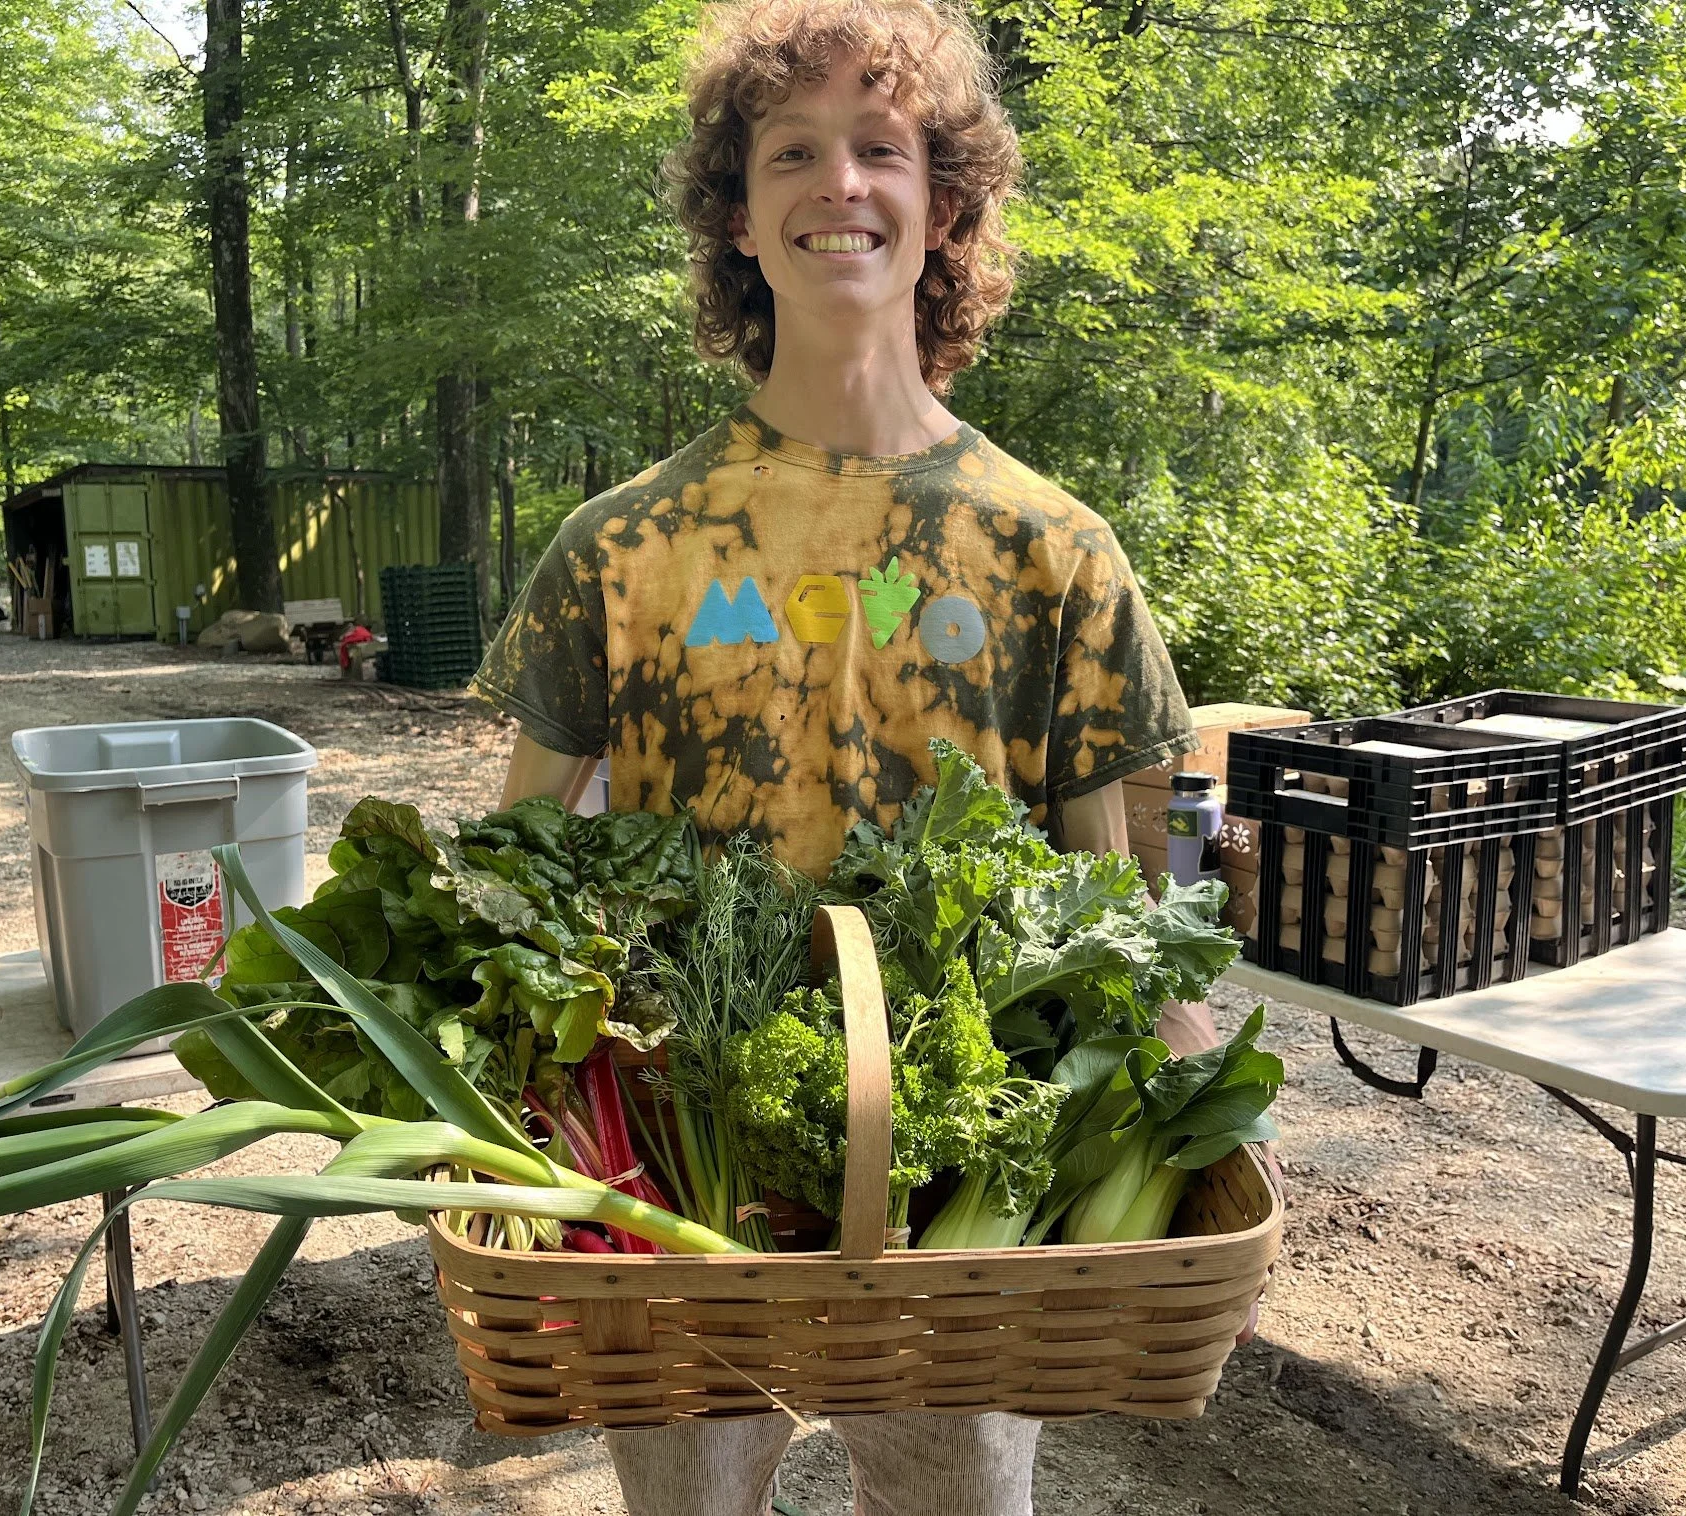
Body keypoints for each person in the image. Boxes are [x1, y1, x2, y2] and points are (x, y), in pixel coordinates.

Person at [470, 2, 1232, 1510]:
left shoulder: (1050, 548)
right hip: (681, 1159)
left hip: (966, 1175)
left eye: (879, 149)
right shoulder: (621, 546)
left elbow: (1117, 897)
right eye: (791, 153)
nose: (839, 185)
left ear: (943, 206)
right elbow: (512, 872)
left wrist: (1191, 1091)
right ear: (736, 220)